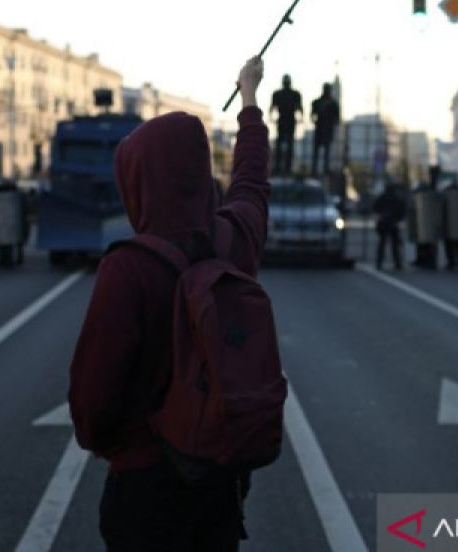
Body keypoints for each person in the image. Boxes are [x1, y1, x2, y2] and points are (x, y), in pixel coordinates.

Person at [70, 56, 270, 552]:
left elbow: (91, 404)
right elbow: (251, 183)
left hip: (145, 490)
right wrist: (249, 100)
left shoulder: (128, 268)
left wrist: (120, 446)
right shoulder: (233, 241)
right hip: (219, 483)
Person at [268, 74, 301, 176]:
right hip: (285, 120)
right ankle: (282, 167)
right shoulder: (293, 94)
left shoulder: (281, 94)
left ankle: (284, 167)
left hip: (287, 120)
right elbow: (272, 108)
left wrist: (271, 118)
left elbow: (300, 108)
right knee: (282, 145)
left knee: (286, 145)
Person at [373, 182, 406, 270]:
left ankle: (379, 262)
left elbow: (375, 208)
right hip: (392, 223)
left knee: (382, 244)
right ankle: (397, 263)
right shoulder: (396, 199)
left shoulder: (382, 198)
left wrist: (380, 217)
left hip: (384, 223)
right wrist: (398, 220)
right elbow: (401, 211)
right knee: (394, 244)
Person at [309, 82, 340, 176]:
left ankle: (317, 169)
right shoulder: (321, 102)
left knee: (324, 151)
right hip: (322, 128)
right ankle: (316, 169)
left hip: (325, 128)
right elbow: (312, 115)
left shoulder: (330, 103)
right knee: (320, 151)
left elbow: (336, 118)